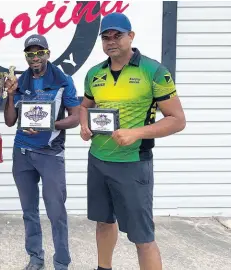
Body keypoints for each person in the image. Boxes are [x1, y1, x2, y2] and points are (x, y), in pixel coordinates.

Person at [79, 12, 186, 270]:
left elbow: (177, 120)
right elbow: (85, 106)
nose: (111, 41)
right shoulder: (94, 73)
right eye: (106, 37)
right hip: (98, 161)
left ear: (131, 36)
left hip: (133, 163)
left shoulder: (154, 71)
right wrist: (84, 124)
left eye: (118, 35)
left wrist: (136, 133)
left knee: (142, 237)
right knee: (103, 222)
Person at [3, 34, 80, 270]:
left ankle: (61, 262)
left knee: (56, 212)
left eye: (39, 52)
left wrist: (50, 125)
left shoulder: (63, 80)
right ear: (25, 56)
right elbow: (9, 121)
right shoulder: (20, 81)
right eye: (30, 53)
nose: (34, 57)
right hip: (22, 152)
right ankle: (35, 258)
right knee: (29, 211)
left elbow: (76, 118)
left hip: (50, 154)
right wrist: (10, 94)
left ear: (47, 53)